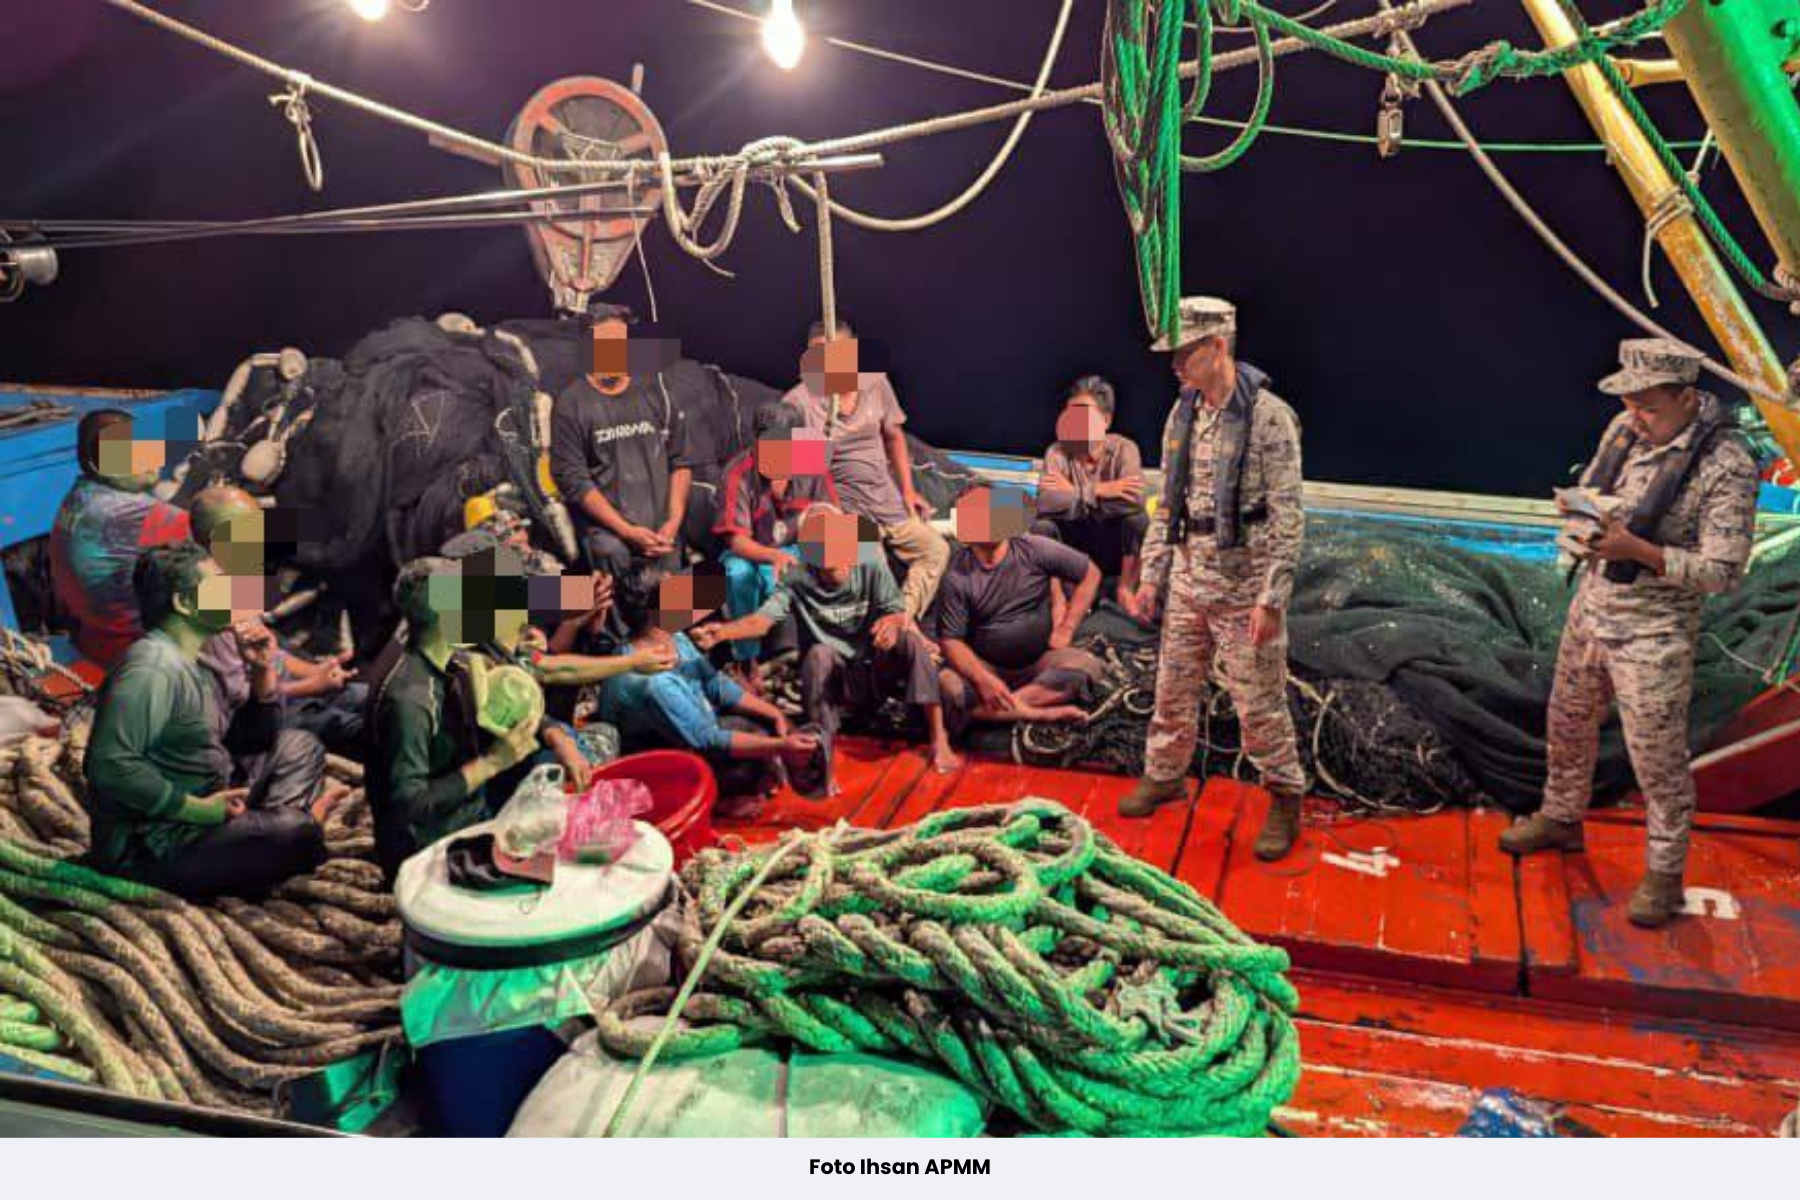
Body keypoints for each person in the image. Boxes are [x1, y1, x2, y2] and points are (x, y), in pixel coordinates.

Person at [1499, 338, 1759, 928]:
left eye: (1648, 406)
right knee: (1567, 722)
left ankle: (1664, 875)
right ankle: (1561, 818)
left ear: (1686, 398)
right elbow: (1606, 495)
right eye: (1630, 403)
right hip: (1593, 609)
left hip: (1654, 634)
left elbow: (1723, 573)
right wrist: (1581, 517)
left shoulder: (1727, 466)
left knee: (1658, 760)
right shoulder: (1624, 428)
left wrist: (1637, 550)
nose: (1635, 417)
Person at [1121, 297, 1308, 863]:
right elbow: (1166, 503)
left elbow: (1288, 516)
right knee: (1172, 689)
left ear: (1217, 346)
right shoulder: (1183, 414)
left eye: (1185, 353)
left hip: (1244, 587)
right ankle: (1165, 775)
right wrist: (1152, 574)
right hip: (1189, 575)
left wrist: (1271, 599)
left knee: (1258, 703)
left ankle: (1285, 795)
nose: (1175, 364)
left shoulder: (1269, 418)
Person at [82, 541, 334, 898]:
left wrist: (261, 670)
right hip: (153, 848)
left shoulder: (190, 659)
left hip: (206, 800)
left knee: (299, 745)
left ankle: (264, 839)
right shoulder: (152, 669)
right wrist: (200, 811)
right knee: (295, 832)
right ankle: (290, 834)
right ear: (184, 603)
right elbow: (108, 765)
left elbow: (247, 742)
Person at [692, 505, 964, 775]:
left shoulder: (869, 565)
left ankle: (938, 738)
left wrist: (891, 624)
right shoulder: (796, 578)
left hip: (877, 669)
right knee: (818, 654)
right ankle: (823, 748)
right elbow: (761, 621)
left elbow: (897, 611)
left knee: (909, 641)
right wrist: (722, 632)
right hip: (837, 681)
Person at [366, 555, 543, 880]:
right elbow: (411, 804)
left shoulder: (436, 650)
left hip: (469, 812)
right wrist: (493, 762)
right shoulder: (411, 701)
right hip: (429, 853)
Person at [599, 566, 815, 814]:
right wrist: (781, 746)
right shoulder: (653, 682)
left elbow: (715, 685)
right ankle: (716, 803)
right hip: (659, 763)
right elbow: (706, 739)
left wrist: (775, 714)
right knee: (754, 761)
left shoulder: (670, 635)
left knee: (765, 729)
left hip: (693, 733)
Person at [782, 318, 950, 621]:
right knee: (873, 564)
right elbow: (805, 476)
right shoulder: (799, 403)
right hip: (844, 507)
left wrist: (908, 491)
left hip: (887, 501)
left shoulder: (874, 384)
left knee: (935, 550)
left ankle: (901, 622)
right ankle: (882, 629)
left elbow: (894, 436)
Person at [187, 486, 368, 755]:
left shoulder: (238, 581)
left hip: (291, 693)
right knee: (373, 730)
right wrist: (312, 686)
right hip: (268, 716)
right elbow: (244, 700)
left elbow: (272, 653)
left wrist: (317, 671)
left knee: (371, 697)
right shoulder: (209, 606)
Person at [938, 486, 1105, 724]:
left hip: (1038, 661)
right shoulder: (956, 576)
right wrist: (982, 679)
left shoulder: (1034, 548)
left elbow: (1090, 573)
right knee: (949, 688)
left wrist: (1066, 628)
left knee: (1085, 668)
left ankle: (996, 711)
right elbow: (950, 641)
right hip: (986, 666)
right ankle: (1035, 713)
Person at [550, 311, 693, 578]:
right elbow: (574, 481)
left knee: (680, 595)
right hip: (611, 537)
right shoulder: (571, 404)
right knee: (612, 559)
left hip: (663, 534)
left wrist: (674, 520)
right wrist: (626, 531)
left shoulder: (655, 391)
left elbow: (681, 462)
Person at [49, 409, 192, 669]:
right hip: (134, 651)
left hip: (90, 637)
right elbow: (214, 525)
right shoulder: (131, 512)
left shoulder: (80, 494)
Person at [714, 404, 838, 675]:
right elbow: (736, 541)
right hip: (752, 551)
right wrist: (774, 557)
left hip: (800, 547)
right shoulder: (737, 473)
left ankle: (819, 656)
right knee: (738, 573)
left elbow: (831, 517)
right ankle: (746, 661)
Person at [1034, 376, 1151, 619]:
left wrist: (1072, 492)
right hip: (1075, 543)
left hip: (1112, 542)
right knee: (1042, 526)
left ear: (1105, 420)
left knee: (1137, 521)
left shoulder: (1125, 449)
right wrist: (1099, 491)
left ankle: (1125, 589)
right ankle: (1058, 597)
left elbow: (1134, 500)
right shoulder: (1057, 452)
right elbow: (1045, 503)